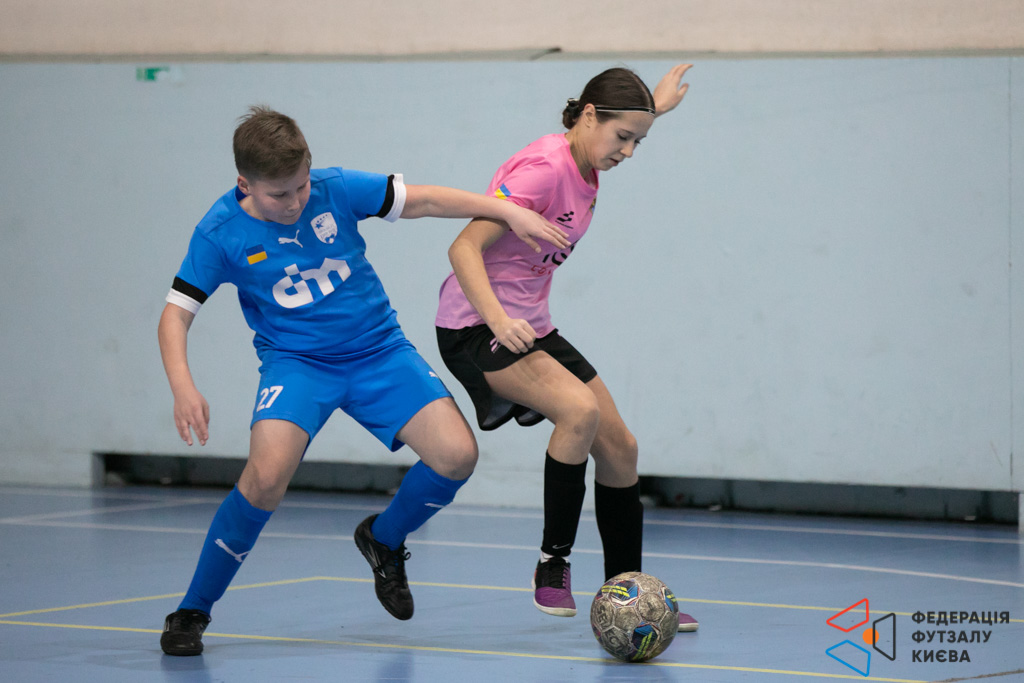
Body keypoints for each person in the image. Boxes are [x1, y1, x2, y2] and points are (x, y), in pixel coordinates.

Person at [157, 106, 570, 656]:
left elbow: (424, 200)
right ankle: (192, 610)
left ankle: (383, 539)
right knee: (265, 478)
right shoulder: (219, 233)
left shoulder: (336, 189)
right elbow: (175, 315)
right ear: (244, 184)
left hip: (379, 351)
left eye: (301, 186)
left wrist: (506, 211)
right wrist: (183, 386)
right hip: (297, 366)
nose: (295, 202)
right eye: (279, 195)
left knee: (456, 457)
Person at [434, 65, 699, 632]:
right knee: (579, 410)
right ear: (588, 116)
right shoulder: (543, 171)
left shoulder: (589, 157)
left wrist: (654, 107)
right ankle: (552, 565)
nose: (628, 152)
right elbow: (463, 248)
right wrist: (498, 319)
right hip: (478, 324)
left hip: (532, 324)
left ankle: (629, 595)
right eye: (623, 137)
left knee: (621, 447)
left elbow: (618, 118)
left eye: (639, 141)